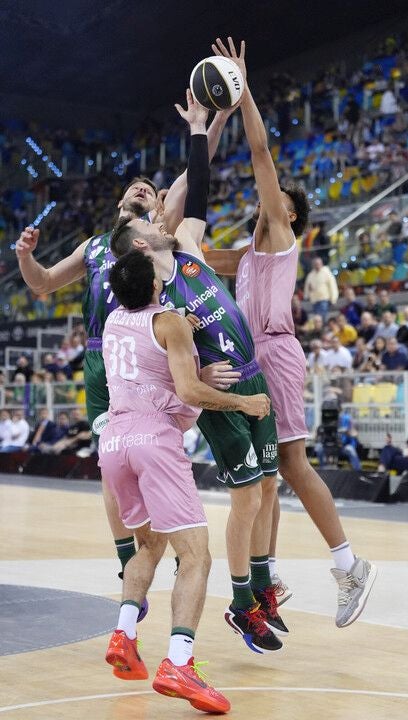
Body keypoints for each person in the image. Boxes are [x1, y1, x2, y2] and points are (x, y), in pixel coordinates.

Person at [15, 107, 234, 596]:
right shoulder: (95, 247)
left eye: (150, 189)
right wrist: (26, 257)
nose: (142, 188)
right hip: (105, 357)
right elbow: (45, 285)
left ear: (158, 206)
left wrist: (215, 116)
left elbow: (197, 169)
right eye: (133, 185)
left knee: (159, 445)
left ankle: (194, 550)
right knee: (111, 463)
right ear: (119, 200)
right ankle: (130, 560)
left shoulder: (159, 230)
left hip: (156, 341)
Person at [205, 37, 376, 628]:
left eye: (273, 201)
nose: (261, 204)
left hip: (275, 353)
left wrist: (242, 90)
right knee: (266, 476)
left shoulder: (279, 235)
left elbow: (258, 152)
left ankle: (348, 564)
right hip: (253, 360)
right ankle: (267, 578)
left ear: (288, 213)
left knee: (293, 466)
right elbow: (193, 252)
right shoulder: (247, 254)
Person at [110, 90, 286, 652]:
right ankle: (242, 604)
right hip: (221, 392)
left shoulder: (187, 244)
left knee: (266, 490)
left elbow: (201, 182)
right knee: (246, 500)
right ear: (142, 239)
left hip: (251, 370)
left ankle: (257, 591)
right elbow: (165, 361)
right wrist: (206, 379)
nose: (169, 212)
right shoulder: (155, 303)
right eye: (155, 212)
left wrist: (201, 126)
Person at [101, 251, 269, 710]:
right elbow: (190, 391)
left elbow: (151, 357)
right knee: (195, 557)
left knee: (148, 547)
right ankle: (179, 661)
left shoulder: (114, 320)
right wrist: (242, 404)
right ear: (155, 287)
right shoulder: (169, 322)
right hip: (153, 440)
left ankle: (124, 633)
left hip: (113, 442)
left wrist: (185, 341)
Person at [303, 256, 339, 322]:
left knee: (322, 318)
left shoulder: (327, 273)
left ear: (321, 264)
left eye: (318, 264)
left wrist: (333, 299)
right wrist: (306, 296)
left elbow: (332, 286)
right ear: (313, 265)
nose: (317, 265)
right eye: (315, 264)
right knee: (317, 319)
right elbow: (307, 287)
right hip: (314, 301)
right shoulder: (310, 275)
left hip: (324, 299)